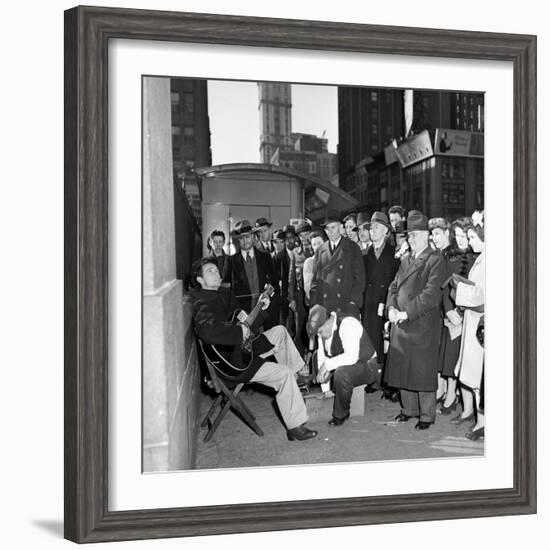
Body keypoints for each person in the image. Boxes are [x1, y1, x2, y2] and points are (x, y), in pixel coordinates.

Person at [191, 257, 318, 441]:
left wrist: (261, 309)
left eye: (216, 270)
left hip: (240, 349)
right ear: (200, 279)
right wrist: (238, 331)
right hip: (235, 364)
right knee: (283, 375)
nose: (217, 273)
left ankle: (297, 377)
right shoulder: (202, 302)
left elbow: (245, 326)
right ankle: (295, 426)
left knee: (280, 332)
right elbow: (208, 330)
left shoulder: (219, 295)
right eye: (210, 271)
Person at [384, 210, 446, 430]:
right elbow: (393, 285)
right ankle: (408, 410)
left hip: (420, 323)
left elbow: (430, 296)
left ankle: (426, 415)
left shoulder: (435, 259)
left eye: (416, 235)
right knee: (404, 369)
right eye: (409, 235)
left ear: (427, 235)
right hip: (401, 321)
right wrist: (391, 307)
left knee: (422, 370)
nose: (411, 239)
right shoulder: (406, 259)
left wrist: (405, 313)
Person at [307, 305, 379, 426]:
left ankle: (341, 414)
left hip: (366, 365)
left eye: (320, 332)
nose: (319, 336)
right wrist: (326, 389)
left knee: (342, 373)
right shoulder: (323, 332)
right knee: (316, 357)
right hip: (346, 365)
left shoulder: (347, 324)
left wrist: (327, 366)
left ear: (328, 323)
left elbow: (351, 357)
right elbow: (321, 357)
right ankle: (337, 391)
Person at [452, 213, 486, 440]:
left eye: (474, 236)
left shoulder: (487, 260)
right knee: (474, 375)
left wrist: (459, 289)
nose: (470, 240)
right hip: (473, 320)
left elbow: (481, 294)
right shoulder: (482, 257)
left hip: (479, 321)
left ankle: (482, 422)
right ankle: (478, 419)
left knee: (479, 376)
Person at [361, 212, 400, 395]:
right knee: (371, 342)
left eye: (376, 227)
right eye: (370, 227)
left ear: (385, 231)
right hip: (369, 303)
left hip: (386, 303)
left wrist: (388, 304)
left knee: (386, 342)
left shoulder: (394, 254)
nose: (372, 230)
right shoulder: (365, 254)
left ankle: (388, 382)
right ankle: (373, 379)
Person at [310, 210, 365, 319]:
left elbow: (360, 279)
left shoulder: (352, 247)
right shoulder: (321, 251)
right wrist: (314, 305)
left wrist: (353, 302)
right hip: (324, 308)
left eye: (333, 227)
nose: (330, 231)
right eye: (327, 228)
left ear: (341, 228)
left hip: (345, 306)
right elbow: (315, 281)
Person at [227, 219, 280, 330]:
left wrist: (268, 293)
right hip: (243, 314)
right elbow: (227, 288)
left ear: (252, 237)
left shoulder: (265, 257)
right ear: (238, 241)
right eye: (241, 238)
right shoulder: (231, 261)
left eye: (247, 237)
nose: (245, 241)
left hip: (265, 311)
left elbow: (274, 281)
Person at [289, 220, 313, 354]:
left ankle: (311, 360)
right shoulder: (295, 253)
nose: (304, 238)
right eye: (301, 236)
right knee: (299, 330)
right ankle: (298, 360)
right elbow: (291, 277)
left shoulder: (317, 250)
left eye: (307, 234)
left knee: (313, 328)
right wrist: (291, 298)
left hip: (314, 295)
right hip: (299, 297)